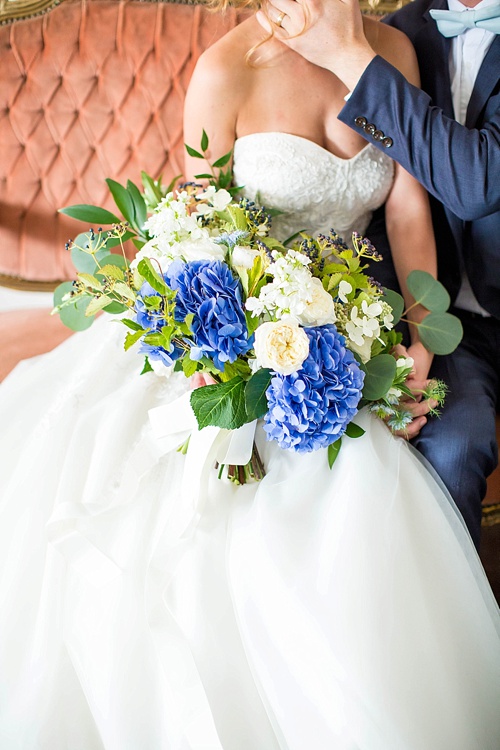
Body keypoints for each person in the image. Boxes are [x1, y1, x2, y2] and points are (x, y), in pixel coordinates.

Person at [0, 1, 499, 747]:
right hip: (238, 334)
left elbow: (405, 216)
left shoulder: (394, 48)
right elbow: (202, 242)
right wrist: (245, 357)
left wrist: (417, 346)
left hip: (356, 331)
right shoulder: (224, 71)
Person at [259, 0, 500, 550]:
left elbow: (476, 183)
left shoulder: (361, 50)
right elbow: (402, 203)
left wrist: (349, 56)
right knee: (450, 450)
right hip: (444, 315)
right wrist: (420, 337)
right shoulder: (401, 34)